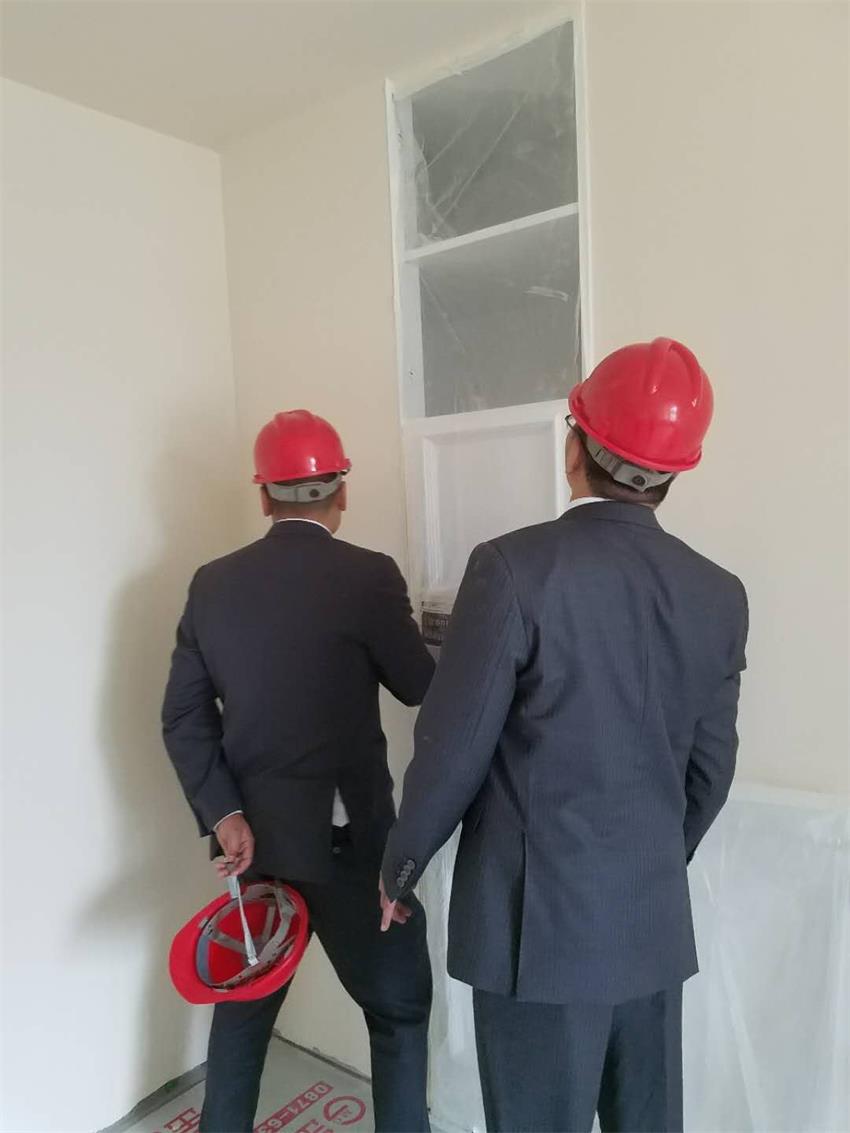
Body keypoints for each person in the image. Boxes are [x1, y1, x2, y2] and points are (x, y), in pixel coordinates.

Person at [379, 339, 748, 1133]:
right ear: (674, 472)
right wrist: (644, 861)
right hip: (649, 927)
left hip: (536, 940)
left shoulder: (512, 568)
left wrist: (401, 865)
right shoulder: (719, 594)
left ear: (573, 446)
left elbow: (452, 748)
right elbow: (710, 773)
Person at [163, 409, 435, 1133]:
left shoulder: (212, 584)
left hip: (255, 844)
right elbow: (419, 685)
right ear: (341, 489)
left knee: (244, 1013)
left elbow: (183, 717)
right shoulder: (368, 576)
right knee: (398, 1013)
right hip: (353, 850)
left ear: (264, 495)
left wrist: (225, 814)